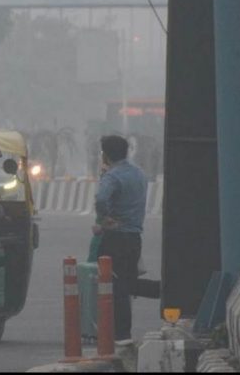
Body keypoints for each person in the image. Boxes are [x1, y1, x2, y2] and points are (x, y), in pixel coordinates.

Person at [93, 134, 147, 346]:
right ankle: (165, 290)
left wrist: (105, 219)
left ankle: (120, 334)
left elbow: (101, 198)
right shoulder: (139, 173)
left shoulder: (113, 176)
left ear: (106, 154)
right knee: (127, 283)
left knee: (115, 286)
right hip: (134, 237)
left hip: (115, 238)